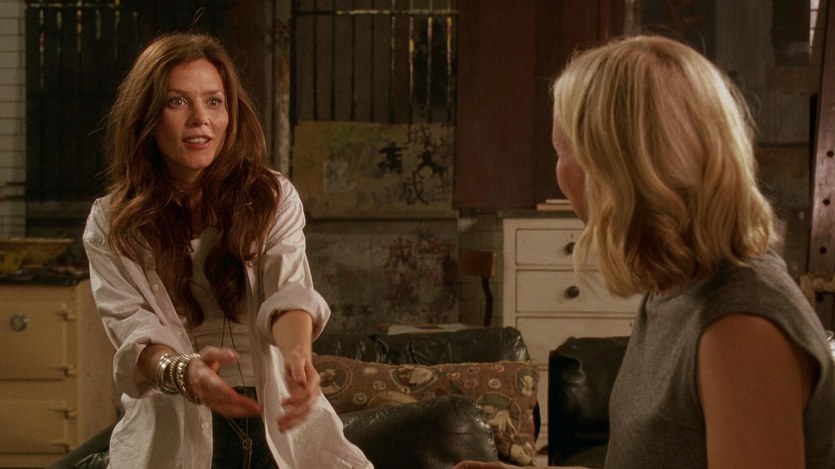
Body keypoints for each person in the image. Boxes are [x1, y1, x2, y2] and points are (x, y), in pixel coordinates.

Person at [455, 34, 835, 469]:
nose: (560, 173)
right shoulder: (677, 287)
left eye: (561, 151)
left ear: (617, 168)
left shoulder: (739, 328)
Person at [83, 32, 372, 468]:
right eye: (177, 102)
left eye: (214, 102)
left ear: (230, 113)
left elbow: (288, 290)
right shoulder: (112, 222)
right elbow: (132, 329)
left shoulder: (271, 196)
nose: (200, 119)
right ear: (147, 116)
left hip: (277, 419)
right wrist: (186, 373)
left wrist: (298, 354)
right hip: (175, 430)